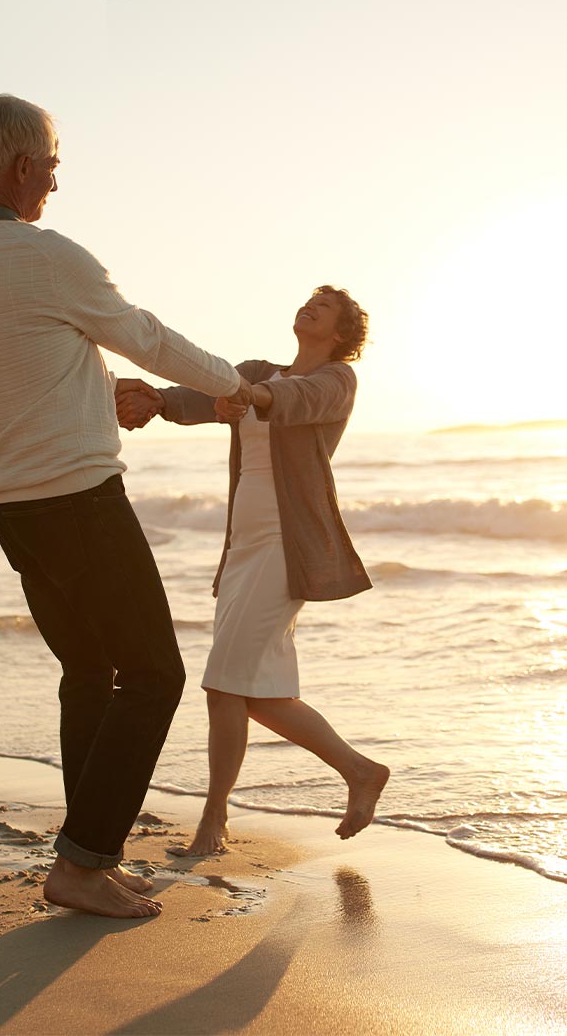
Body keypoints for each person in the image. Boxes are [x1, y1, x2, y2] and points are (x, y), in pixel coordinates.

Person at [0, 94, 252, 918]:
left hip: (13, 506)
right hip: (78, 501)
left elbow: (24, 377)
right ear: (24, 166)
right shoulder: (45, 255)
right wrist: (240, 388)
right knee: (154, 674)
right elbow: (146, 333)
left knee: (89, 673)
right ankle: (81, 863)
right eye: (55, 166)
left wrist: (107, 396)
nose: (57, 184)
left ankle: (88, 857)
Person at [116, 286, 390, 855]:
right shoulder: (257, 371)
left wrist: (244, 395)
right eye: (309, 299)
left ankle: (213, 823)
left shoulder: (338, 380)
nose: (310, 306)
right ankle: (358, 770)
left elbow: (292, 400)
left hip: (287, 545)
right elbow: (202, 396)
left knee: (224, 684)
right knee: (247, 691)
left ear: (341, 334)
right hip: (243, 544)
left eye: (325, 306)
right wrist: (156, 401)